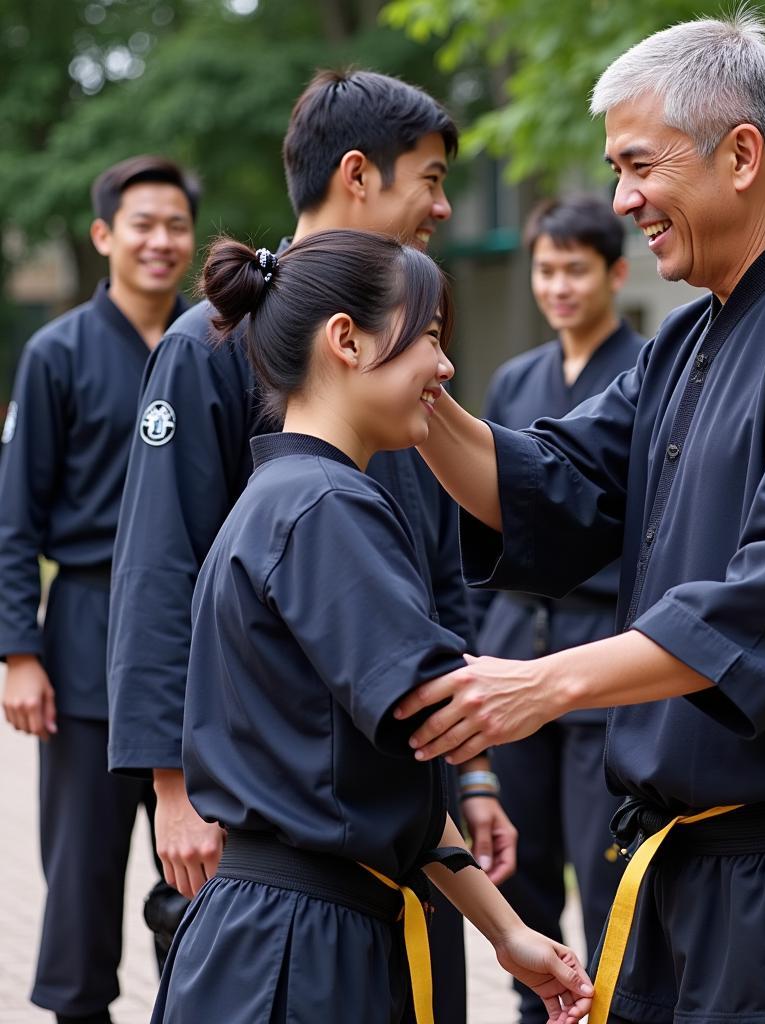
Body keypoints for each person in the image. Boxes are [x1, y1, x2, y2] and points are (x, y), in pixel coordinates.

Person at [393, 12, 765, 1024]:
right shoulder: (684, 347)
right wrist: (411, 390)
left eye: (636, 165)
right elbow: (547, 484)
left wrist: (545, 683)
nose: (622, 201)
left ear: (740, 153)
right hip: (684, 885)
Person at [106, 69, 514, 1023]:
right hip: (280, 828)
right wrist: (175, 787)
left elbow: (434, 591)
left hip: (400, 807)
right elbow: (164, 565)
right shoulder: (215, 343)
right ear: (360, 175)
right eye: (431, 177)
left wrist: (471, 779)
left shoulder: (403, 366)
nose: (442, 206)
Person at [150, 229, 592, 1024]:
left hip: (274, 936)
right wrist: (641, 671)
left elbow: (400, 783)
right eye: (427, 336)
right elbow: (439, 710)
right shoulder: (327, 506)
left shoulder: (281, 495)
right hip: (302, 952)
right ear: (346, 340)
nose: (445, 367)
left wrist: (508, 932)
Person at [0, 156, 197, 1024]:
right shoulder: (57, 354)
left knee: (200, 872)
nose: (161, 242)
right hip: (83, 629)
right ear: (104, 235)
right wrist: (18, 652)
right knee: (80, 872)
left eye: (176, 225)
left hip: (196, 642)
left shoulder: (219, 344)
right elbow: (15, 518)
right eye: (143, 224)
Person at [474, 196, 640, 1024]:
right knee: (520, 859)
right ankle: (532, 1005)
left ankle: (611, 1005)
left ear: (615, 272)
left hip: (601, 659)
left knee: (605, 863)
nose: (559, 286)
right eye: (546, 269)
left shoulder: (651, 369)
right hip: (512, 650)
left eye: (576, 269)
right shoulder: (514, 380)